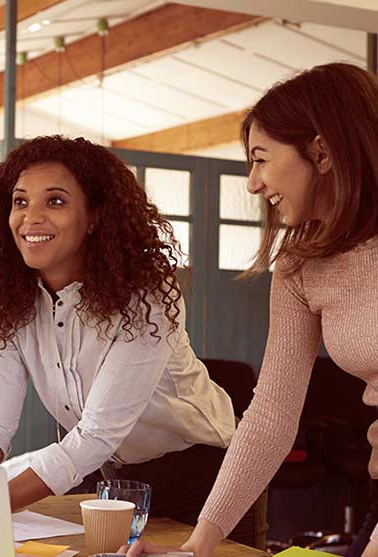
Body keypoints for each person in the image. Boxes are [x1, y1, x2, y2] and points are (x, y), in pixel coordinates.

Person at [0, 135, 263, 546]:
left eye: (56, 202)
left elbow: (95, 435)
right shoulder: (11, 302)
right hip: (118, 479)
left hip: (205, 476)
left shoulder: (144, 298)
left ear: (94, 216)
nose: (31, 218)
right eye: (21, 201)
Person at [125, 62, 378, 557]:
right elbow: (269, 417)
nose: (252, 183)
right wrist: (197, 546)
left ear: (321, 151)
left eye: (261, 159)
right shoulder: (300, 266)